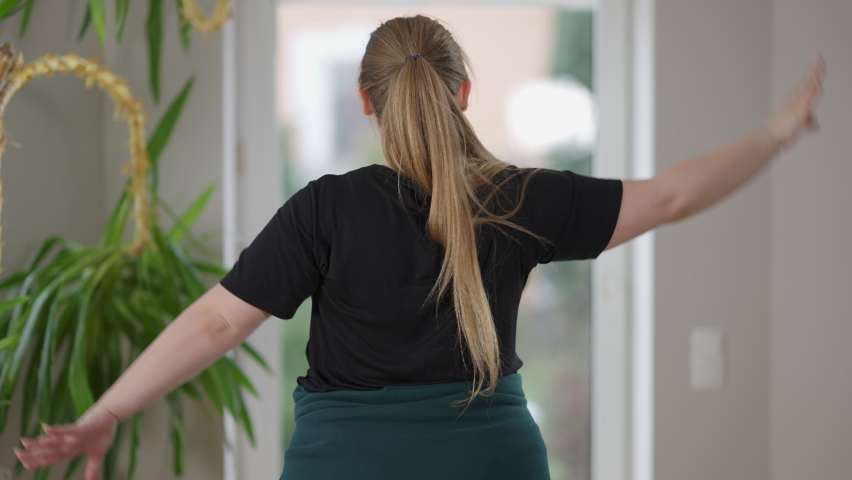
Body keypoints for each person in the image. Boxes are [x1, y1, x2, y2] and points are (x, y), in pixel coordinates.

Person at [13, 14, 824, 480]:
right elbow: (674, 196)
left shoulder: (325, 208)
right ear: (463, 91)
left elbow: (218, 323)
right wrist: (776, 133)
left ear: (366, 102)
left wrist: (105, 412)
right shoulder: (519, 199)